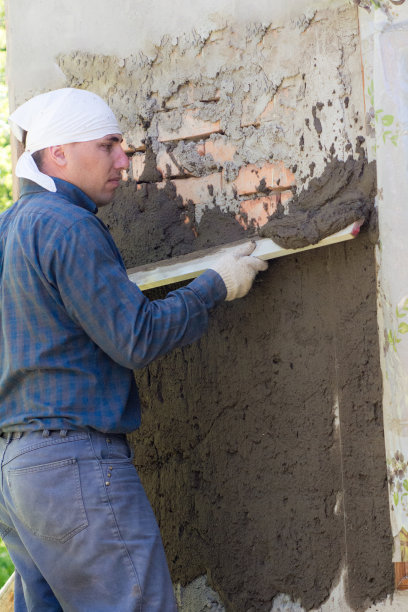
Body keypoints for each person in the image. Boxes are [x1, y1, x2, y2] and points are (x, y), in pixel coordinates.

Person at [0, 88, 267, 611]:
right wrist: (215, 284)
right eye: (108, 146)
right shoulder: (67, 225)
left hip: (17, 474)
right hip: (71, 463)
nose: (125, 160)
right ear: (58, 154)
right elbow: (136, 337)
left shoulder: (8, 229)